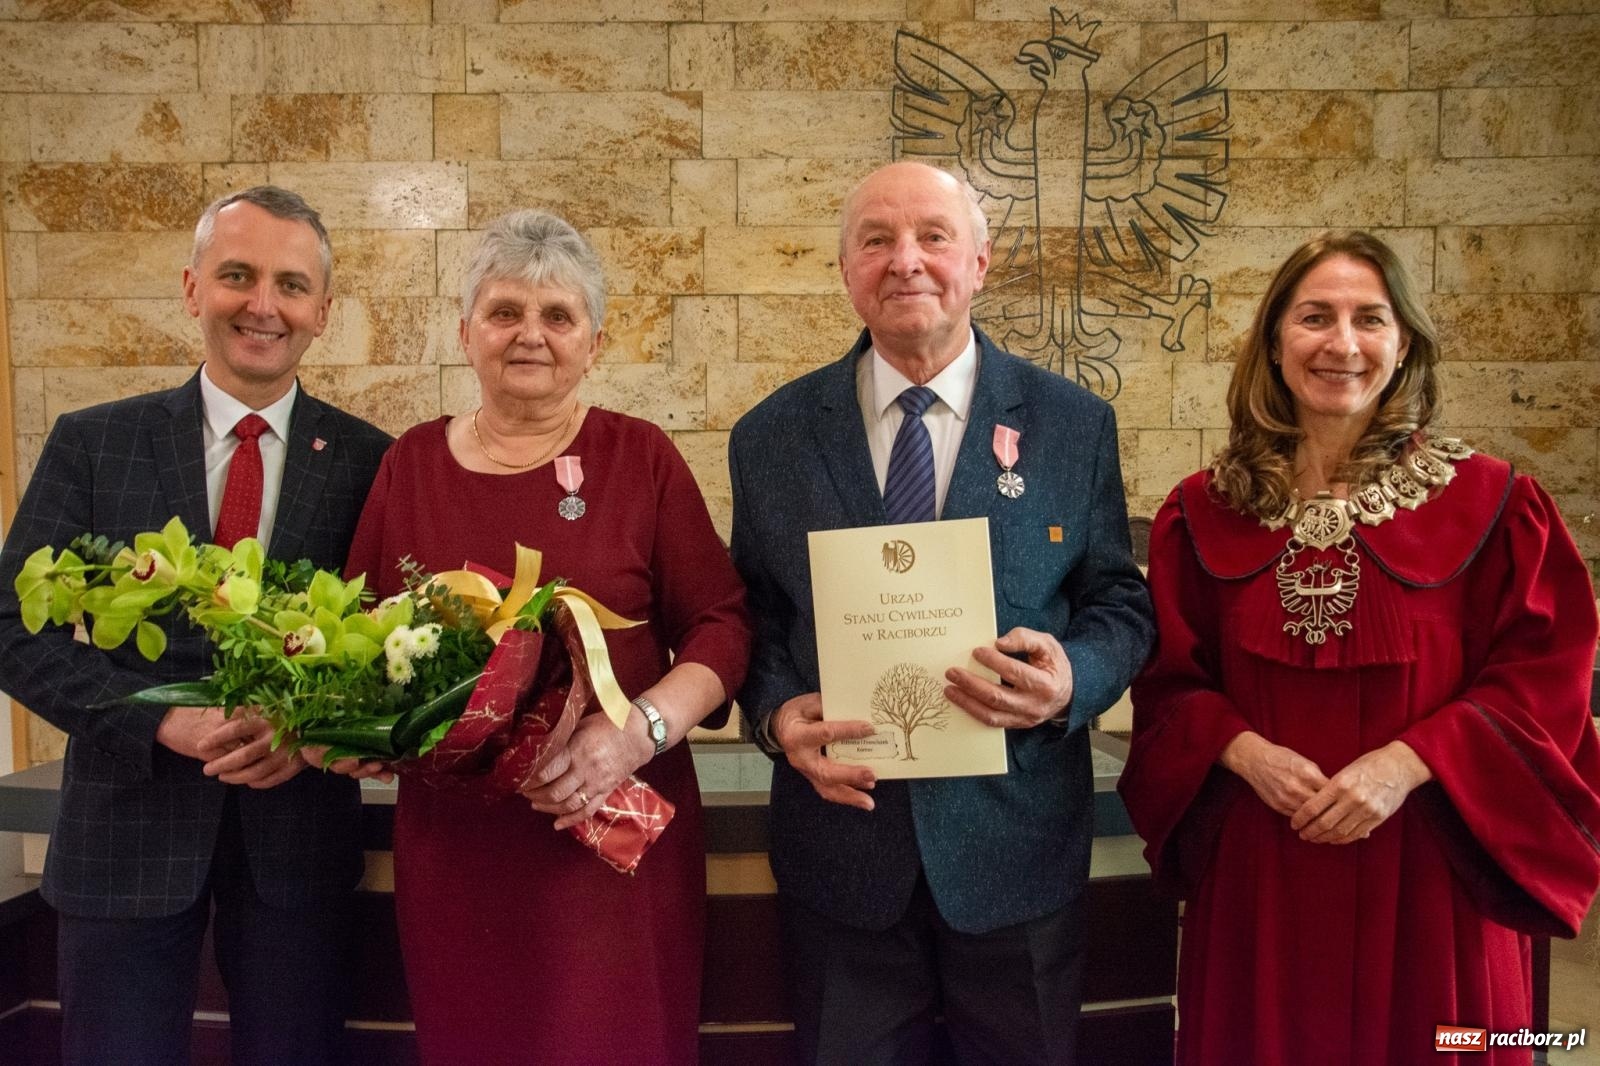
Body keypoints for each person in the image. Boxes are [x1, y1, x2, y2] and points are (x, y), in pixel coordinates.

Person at [1118, 230, 1600, 1065]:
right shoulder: (1199, 514)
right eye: (1315, 317)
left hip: (1431, 863)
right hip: (1264, 866)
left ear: (1403, 340)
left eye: (1369, 319)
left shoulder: (1496, 506)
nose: (1342, 344)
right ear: (1274, 340)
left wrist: (1405, 764)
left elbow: (1544, 682)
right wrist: (1241, 750)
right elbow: (1166, 683)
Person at [728, 161, 1153, 1064]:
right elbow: (756, 616)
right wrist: (773, 717)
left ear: (981, 262)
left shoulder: (1074, 423)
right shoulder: (769, 437)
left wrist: (1074, 677)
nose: (905, 261)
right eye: (876, 240)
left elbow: (1120, 602)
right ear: (845, 270)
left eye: (933, 236)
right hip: (842, 859)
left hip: (1018, 849)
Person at [338, 208, 749, 1065]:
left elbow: (722, 625)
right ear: (465, 332)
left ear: (594, 343)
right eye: (504, 312)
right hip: (460, 858)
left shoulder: (641, 458)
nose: (531, 334)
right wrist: (356, 732)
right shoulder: (408, 464)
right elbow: (356, 637)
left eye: (558, 316)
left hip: (611, 843)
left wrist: (639, 734)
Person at [0, 186, 392, 1066]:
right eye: (238, 276)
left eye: (291, 285)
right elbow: (8, 628)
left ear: (322, 312)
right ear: (191, 288)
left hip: (296, 845)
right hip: (121, 838)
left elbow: (384, 644)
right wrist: (161, 719)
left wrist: (315, 734)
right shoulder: (93, 443)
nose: (263, 305)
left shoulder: (373, 461)